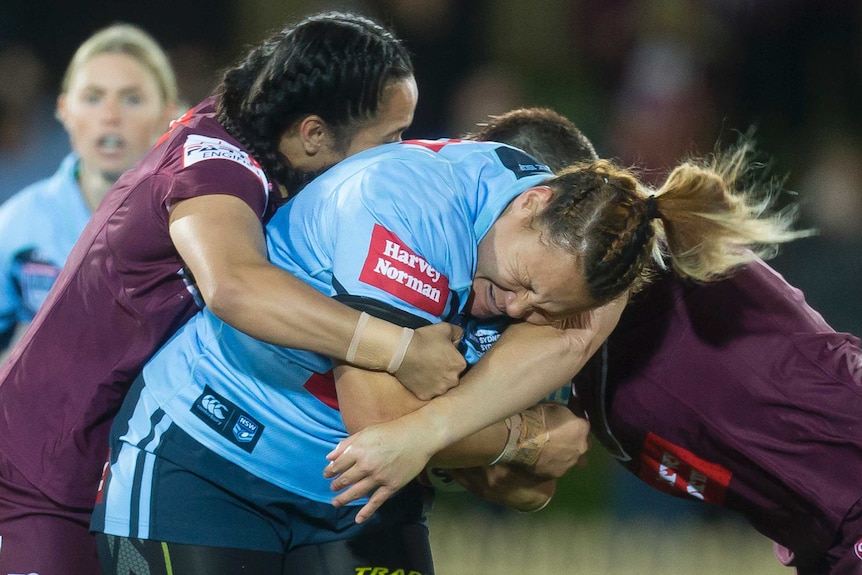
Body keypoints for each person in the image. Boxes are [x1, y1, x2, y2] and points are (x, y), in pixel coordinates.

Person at [91, 126, 801, 573]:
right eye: (521, 285)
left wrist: (465, 439)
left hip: (354, 499)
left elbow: (525, 489)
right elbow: (380, 429)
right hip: (209, 459)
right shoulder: (407, 206)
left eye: (543, 309)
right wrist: (517, 434)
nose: (517, 308)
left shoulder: (589, 273)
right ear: (530, 200)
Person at [0, 12, 466, 575]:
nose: (401, 153)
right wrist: (399, 351)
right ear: (314, 133)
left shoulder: (271, 152)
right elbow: (235, 286)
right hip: (46, 466)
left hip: (109, 456)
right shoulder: (214, 160)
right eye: (390, 137)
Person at [333, 113, 862, 575]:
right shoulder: (539, 325)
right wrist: (507, 440)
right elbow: (524, 483)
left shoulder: (618, 270)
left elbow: (423, 428)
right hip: (822, 538)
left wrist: (430, 429)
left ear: (544, 203)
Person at [0, 24, 179, 354]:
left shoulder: (198, 222)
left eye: (132, 98)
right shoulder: (17, 225)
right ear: (65, 110)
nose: (110, 116)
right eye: (93, 97)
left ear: (168, 115)